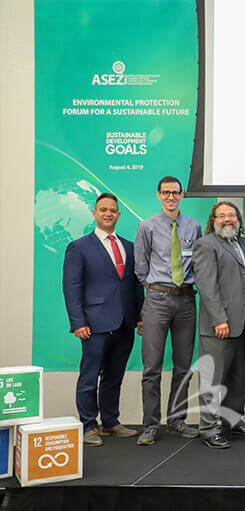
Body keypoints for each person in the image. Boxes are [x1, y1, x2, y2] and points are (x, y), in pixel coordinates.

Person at [62, 192, 144, 446]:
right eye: (103, 210)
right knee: (89, 376)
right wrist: (78, 322)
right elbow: (71, 287)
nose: (108, 214)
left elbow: (135, 285)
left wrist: (139, 316)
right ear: (94, 213)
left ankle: (111, 421)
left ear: (118, 215)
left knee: (115, 376)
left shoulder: (129, 247)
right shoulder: (79, 247)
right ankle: (89, 425)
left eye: (113, 210)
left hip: (125, 323)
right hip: (94, 324)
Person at [134, 176, 202, 446]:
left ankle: (177, 420)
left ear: (182, 195)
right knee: (151, 368)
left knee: (183, 366)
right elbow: (140, 268)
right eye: (166, 193)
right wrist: (156, 289)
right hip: (158, 299)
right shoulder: (147, 226)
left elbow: (197, 263)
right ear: (158, 195)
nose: (171, 197)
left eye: (175, 193)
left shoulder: (193, 226)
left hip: (186, 301)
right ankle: (150, 425)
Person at [192, 201, 245, 449]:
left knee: (239, 376)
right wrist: (219, 318)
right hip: (218, 325)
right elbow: (207, 286)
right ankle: (209, 428)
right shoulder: (206, 244)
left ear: (239, 219)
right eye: (222, 215)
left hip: (244, 323)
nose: (228, 219)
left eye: (232, 215)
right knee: (213, 378)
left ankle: (232, 420)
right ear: (214, 220)